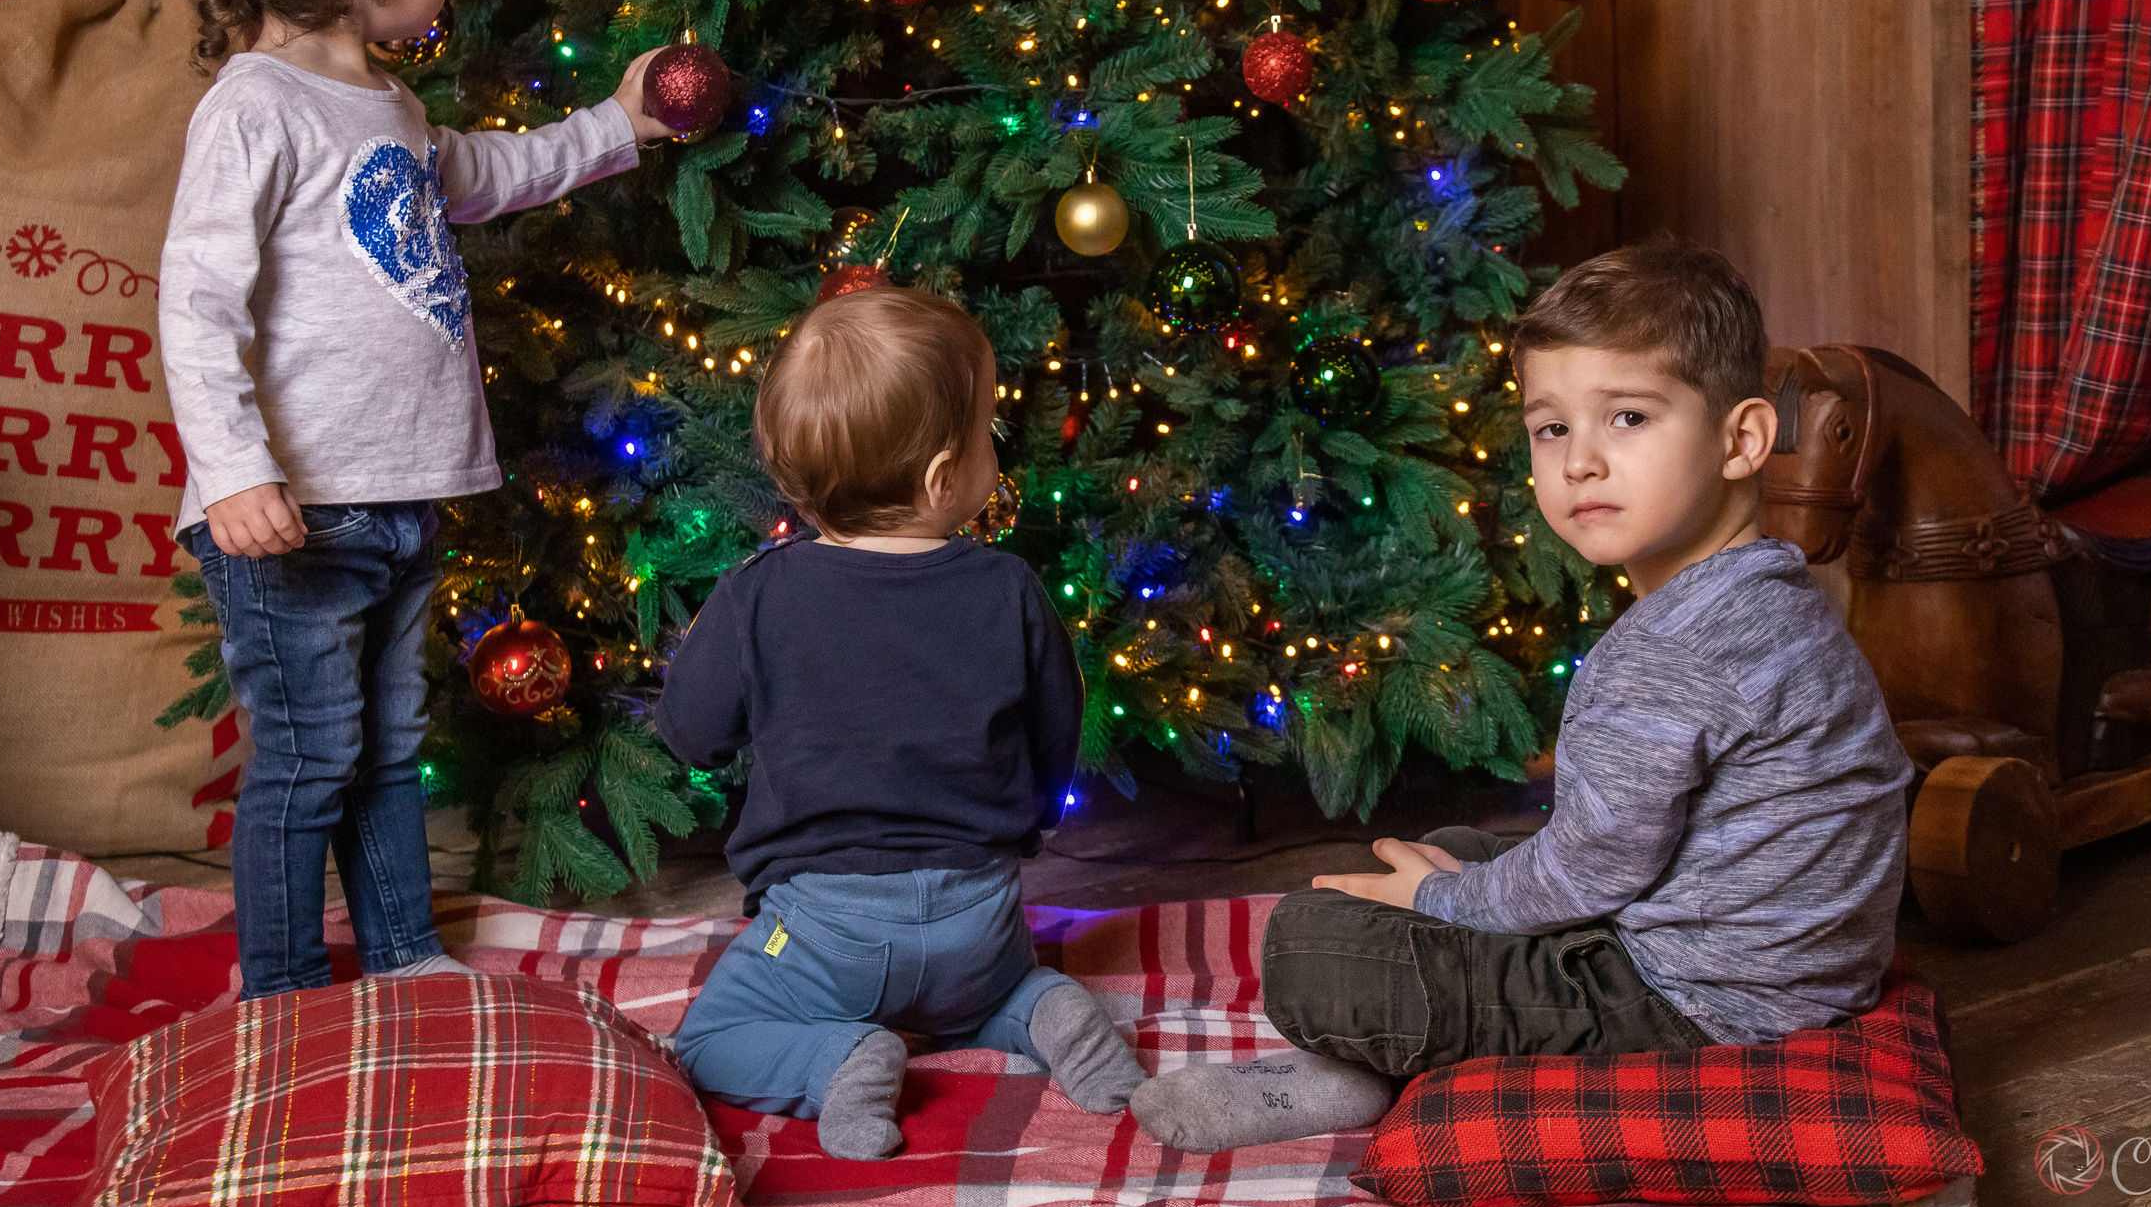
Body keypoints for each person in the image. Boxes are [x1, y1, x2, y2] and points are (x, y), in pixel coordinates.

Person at [1132, 237, 1916, 1152]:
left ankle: (1352, 1072)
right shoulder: (1764, 595)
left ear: (1741, 439)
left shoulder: (1677, 649)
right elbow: (1605, 849)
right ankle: (1396, 1029)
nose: (1580, 461)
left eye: (1627, 417)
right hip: (1777, 959)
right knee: (1454, 850)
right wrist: (1463, 887)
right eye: (1552, 428)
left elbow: (1589, 873)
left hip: (1700, 1001)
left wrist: (1450, 907)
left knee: (1313, 943)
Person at [157, 0, 678, 1001]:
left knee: (388, 750)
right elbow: (194, 301)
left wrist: (615, 127)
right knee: (307, 758)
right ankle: (277, 991)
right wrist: (232, 473)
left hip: (396, 499)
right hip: (293, 513)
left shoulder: (381, 102)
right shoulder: (254, 109)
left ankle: (401, 961)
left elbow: (486, 174)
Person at [655, 285, 1145, 1159]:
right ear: (939, 479)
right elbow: (1056, 742)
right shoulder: (1009, 588)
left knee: (705, 1039)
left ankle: (837, 1053)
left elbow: (691, 731)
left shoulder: (758, 592)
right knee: (981, 999)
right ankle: (1041, 1008)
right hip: (981, 923)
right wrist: (1023, 826)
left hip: (822, 928)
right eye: (986, 431)